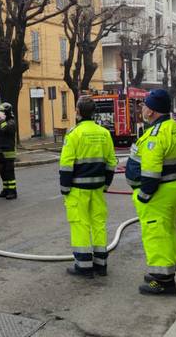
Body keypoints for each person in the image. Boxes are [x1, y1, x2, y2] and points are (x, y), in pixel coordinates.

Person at [125, 89, 176, 295]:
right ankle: (165, 273)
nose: (142, 108)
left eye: (144, 105)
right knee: (167, 232)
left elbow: (151, 171)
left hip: (158, 193)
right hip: (173, 188)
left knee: (156, 234)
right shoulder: (174, 128)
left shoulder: (156, 135)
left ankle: (162, 281)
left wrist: (144, 195)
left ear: (151, 111)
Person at [59, 96, 117, 278]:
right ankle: (101, 264)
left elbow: (66, 164)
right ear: (94, 112)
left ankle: (83, 265)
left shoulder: (74, 134)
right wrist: (106, 184)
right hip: (98, 188)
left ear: (77, 111)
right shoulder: (104, 133)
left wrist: (65, 188)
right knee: (98, 223)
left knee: (80, 224)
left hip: (78, 189)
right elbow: (111, 162)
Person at [0, 102, 17, 200]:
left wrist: (1, 121)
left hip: (8, 152)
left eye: (2, 112)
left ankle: (12, 191)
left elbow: (4, 129)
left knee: (9, 172)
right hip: (1, 152)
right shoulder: (2, 122)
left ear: (6, 113)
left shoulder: (11, 122)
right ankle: (6, 189)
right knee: (1, 169)